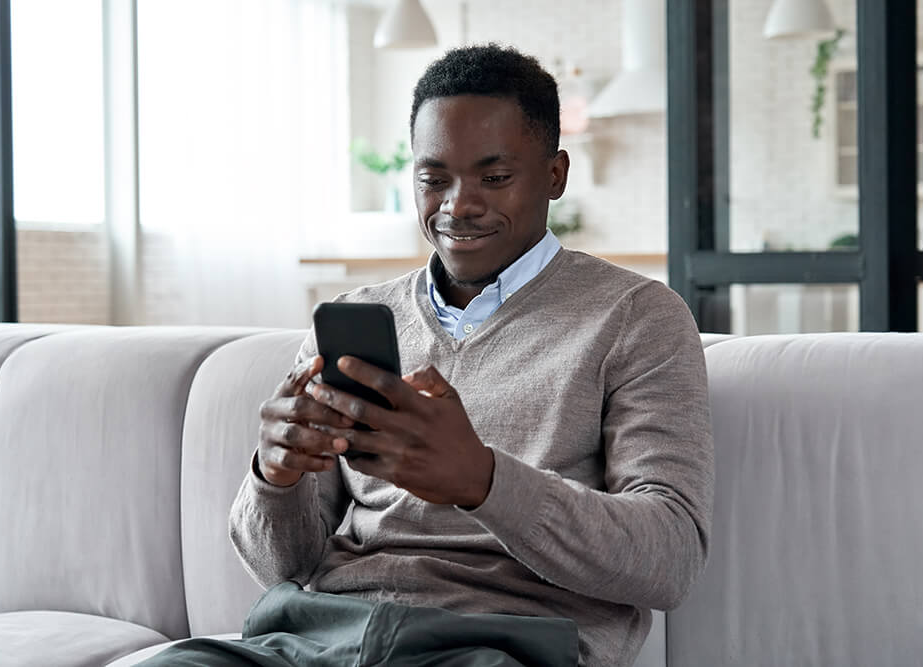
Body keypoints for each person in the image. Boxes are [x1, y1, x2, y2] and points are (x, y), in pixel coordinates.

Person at [141, 43, 712, 667]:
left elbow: (670, 560)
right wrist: (273, 480)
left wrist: (482, 482)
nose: (457, 205)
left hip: (495, 648)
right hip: (320, 639)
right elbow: (283, 566)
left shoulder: (637, 317)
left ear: (555, 175)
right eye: (432, 178)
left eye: (494, 178)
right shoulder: (356, 319)